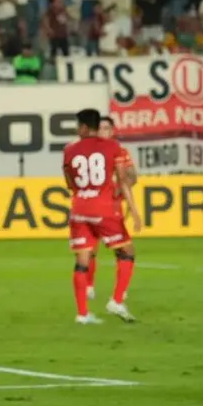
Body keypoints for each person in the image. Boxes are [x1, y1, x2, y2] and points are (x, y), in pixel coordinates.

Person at [62, 109, 141, 325]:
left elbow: (69, 183)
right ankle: (116, 300)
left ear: (85, 128)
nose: (77, 129)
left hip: (79, 209)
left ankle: (82, 313)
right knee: (127, 251)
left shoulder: (69, 150)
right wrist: (133, 211)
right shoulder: (113, 147)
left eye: (78, 126)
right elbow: (124, 179)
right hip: (104, 208)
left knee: (82, 260)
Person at [86, 116, 138, 301]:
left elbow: (132, 176)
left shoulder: (121, 152)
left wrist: (124, 183)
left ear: (112, 130)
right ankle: (98, 289)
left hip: (111, 206)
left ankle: (114, 291)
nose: (103, 132)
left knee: (114, 249)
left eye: (107, 128)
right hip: (97, 206)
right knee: (118, 249)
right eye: (100, 128)